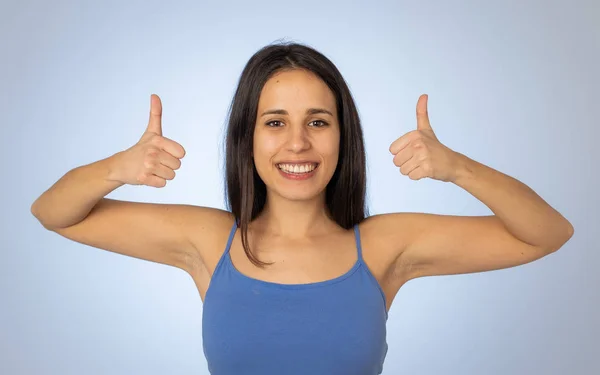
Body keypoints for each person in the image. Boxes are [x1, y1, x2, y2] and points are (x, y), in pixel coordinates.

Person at [31, 42, 574, 375]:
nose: (297, 144)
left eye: (318, 121)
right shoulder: (208, 240)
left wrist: (457, 168)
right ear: (247, 139)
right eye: (275, 122)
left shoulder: (385, 246)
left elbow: (546, 233)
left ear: (343, 137)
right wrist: (116, 169)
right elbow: (54, 212)